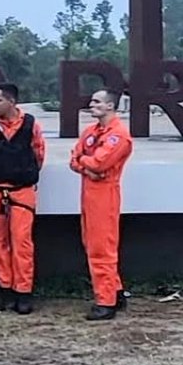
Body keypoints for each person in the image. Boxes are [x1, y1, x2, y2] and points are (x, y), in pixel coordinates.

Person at [0, 83, 45, 315]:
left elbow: (39, 153)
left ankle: (23, 291)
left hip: (21, 190)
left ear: (11, 102)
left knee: (22, 242)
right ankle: (5, 289)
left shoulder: (31, 124)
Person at [70, 87, 133, 321]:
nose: (92, 104)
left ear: (110, 106)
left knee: (101, 248)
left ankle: (105, 302)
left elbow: (99, 163)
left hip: (105, 194)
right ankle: (115, 292)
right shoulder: (90, 131)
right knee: (91, 243)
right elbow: (74, 160)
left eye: (97, 101)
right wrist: (86, 166)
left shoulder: (119, 134)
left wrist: (85, 163)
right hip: (89, 191)